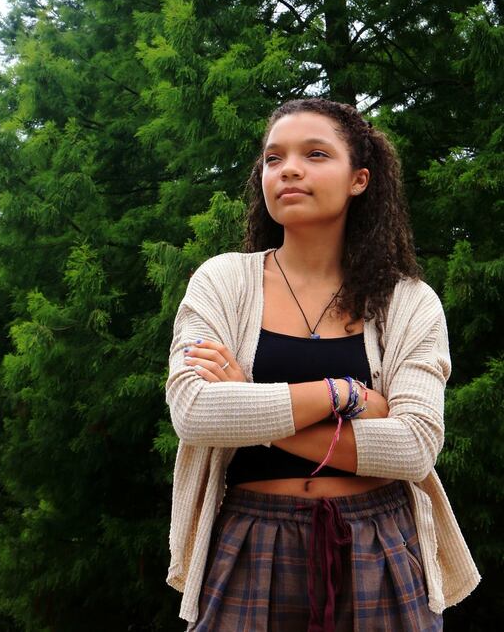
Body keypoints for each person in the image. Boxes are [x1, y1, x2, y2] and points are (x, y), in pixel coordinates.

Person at [165, 98, 480, 631]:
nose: (288, 168)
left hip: (380, 542)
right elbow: (195, 412)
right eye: (273, 158)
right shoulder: (221, 281)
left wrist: (249, 407)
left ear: (359, 179)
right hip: (249, 542)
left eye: (314, 154)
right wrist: (344, 395)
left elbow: (416, 444)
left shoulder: (409, 301)